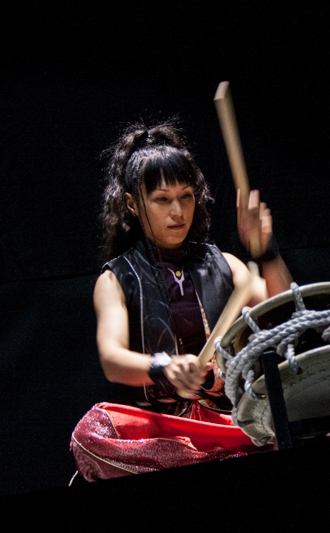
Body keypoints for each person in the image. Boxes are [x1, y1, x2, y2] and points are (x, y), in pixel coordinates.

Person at [70, 121, 292, 481]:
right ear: (132, 204)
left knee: (317, 411)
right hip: (163, 431)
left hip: (231, 422)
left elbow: (284, 320)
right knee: (91, 434)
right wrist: (165, 367)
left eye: (186, 196)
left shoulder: (227, 265)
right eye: (162, 200)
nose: (178, 211)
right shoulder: (116, 279)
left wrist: (267, 253)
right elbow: (112, 359)